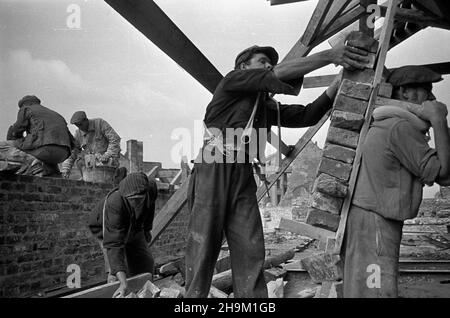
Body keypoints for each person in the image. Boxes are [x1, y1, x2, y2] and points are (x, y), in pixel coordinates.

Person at [185, 42, 371, 298]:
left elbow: (305, 115)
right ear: (244, 67)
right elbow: (274, 76)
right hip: (213, 166)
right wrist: (330, 55)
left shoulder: (262, 106)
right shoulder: (232, 81)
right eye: (262, 61)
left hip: (242, 173)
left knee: (250, 247)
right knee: (203, 244)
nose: (268, 65)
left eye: (269, 62)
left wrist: (335, 86)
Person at [343, 65, 450, 298]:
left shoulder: (388, 123)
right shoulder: (399, 127)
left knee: (365, 288)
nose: (431, 97)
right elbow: (444, 174)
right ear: (404, 92)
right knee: (375, 290)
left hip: (370, 220)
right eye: (425, 90)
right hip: (375, 223)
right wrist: (439, 120)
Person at [88, 172, 157, 297]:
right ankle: (117, 291)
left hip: (134, 226)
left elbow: (150, 207)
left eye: (137, 200)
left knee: (146, 262)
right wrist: (123, 283)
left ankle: (146, 292)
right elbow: (114, 244)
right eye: (130, 201)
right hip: (106, 228)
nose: (134, 204)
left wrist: (147, 229)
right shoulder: (115, 202)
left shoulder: (151, 189)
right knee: (115, 270)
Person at [0, 95, 73, 177]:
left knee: (2, 146)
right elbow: (73, 142)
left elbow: (18, 129)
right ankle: (54, 174)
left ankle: (32, 164)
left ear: (24, 104)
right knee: (47, 164)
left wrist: (14, 138)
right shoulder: (57, 115)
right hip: (63, 154)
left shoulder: (26, 109)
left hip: (43, 149)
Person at [61, 111, 121, 179]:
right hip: (93, 164)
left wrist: (107, 155)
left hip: (108, 161)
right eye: (77, 125)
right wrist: (65, 170)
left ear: (86, 120)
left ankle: (116, 176)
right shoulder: (78, 134)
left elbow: (115, 139)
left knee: (109, 166)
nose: (80, 127)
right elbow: (72, 154)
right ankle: (86, 178)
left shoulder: (100, 123)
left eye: (81, 124)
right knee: (80, 161)